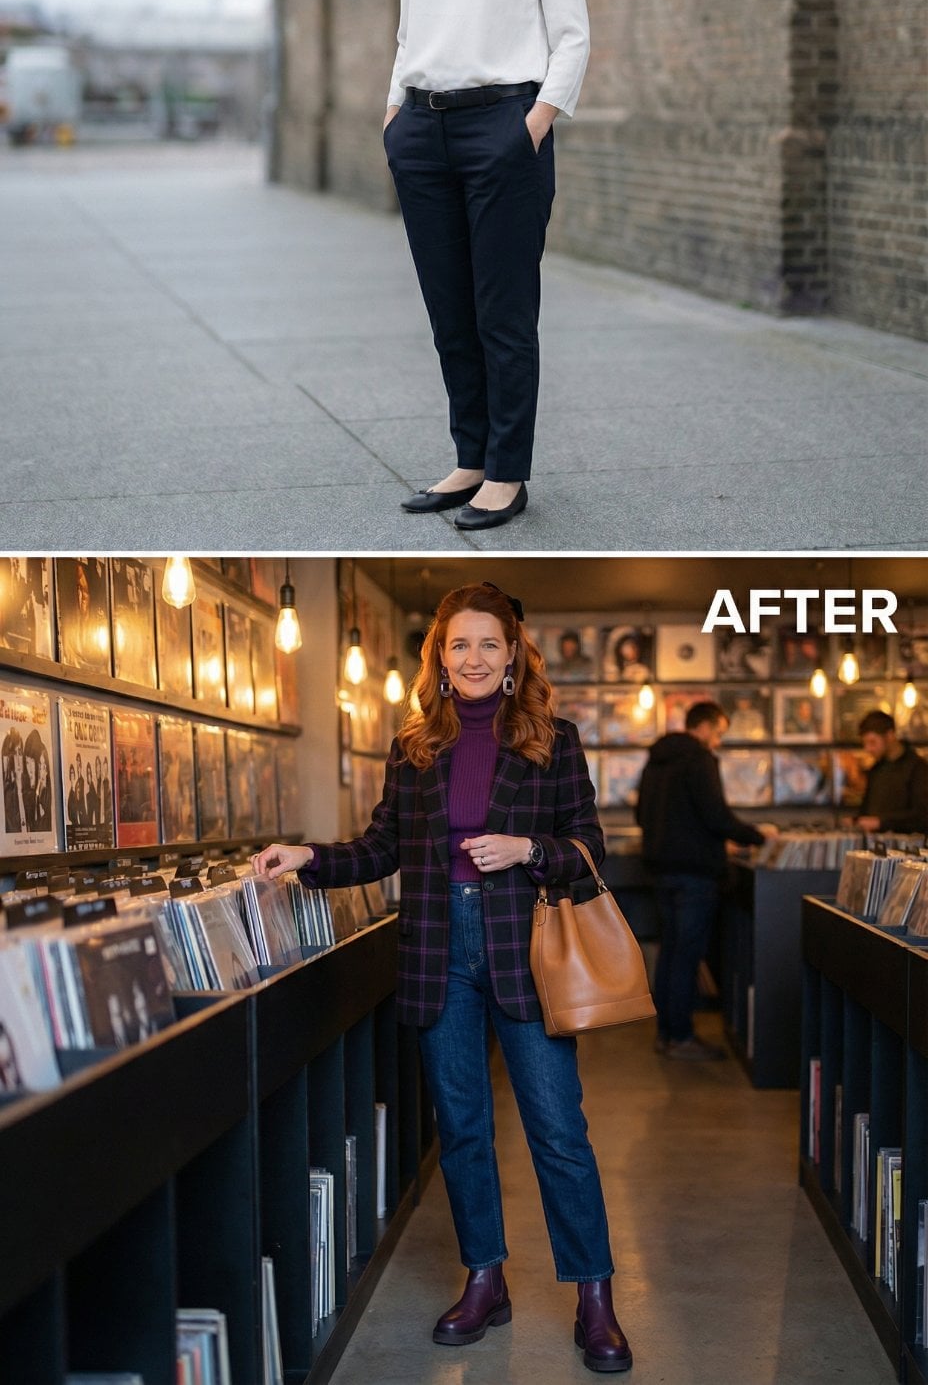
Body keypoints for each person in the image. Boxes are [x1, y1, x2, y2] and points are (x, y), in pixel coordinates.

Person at [254, 581, 632, 1373]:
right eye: (458, 644)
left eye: (488, 643)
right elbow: (381, 847)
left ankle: (594, 1297)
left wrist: (529, 850)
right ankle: (484, 1277)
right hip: (436, 953)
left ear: (512, 656)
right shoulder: (415, 742)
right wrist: (310, 859)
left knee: (558, 1131)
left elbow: (591, 846)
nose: (472, 657)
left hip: (522, 950)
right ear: (440, 656)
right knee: (461, 1129)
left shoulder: (553, 739)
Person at [384, 0, 590, 531]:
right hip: (423, 130)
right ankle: (469, 457)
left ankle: (507, 472)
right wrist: (393, 113)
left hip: (504, 127)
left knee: (502, 313)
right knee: (449, 314)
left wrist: (532, 125)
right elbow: (410, 35)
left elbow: (571, 35)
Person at [636, 701, 779, 1061]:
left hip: (660, 871)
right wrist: (759, 836)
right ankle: (681, 1037)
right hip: (695, 874)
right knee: (686, 956)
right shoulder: (699, 760)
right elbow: (716, 816)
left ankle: (666, 1034)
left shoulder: (657, 760)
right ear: (703, 728)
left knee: (670, 954)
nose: (717, 741)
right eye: (718, 733)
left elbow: (642, 813)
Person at [855, 710, 928, 837]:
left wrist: (881, 822)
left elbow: (923, 816)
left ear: (890, 736)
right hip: (875, 848)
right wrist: (856, 821)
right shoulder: (875, 769)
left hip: (908, 852)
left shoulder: (918, 768)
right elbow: (867, 810)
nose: (868, 749)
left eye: (872, 742)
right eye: (865, 743)